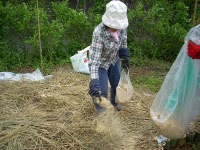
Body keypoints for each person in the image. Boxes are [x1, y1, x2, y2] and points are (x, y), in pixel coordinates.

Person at [88, 0, 130, 112]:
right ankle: (102, 114)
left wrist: (124, 55)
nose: (116, 28)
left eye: (118, 26)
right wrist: (94, 81)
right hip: (101, 63)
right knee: (101, 90)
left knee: (117, 84)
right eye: (113, 26)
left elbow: (123, 41)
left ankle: (115, 103)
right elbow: (95, 60)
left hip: (114, 60)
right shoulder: (98, 32)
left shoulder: (122, 28)